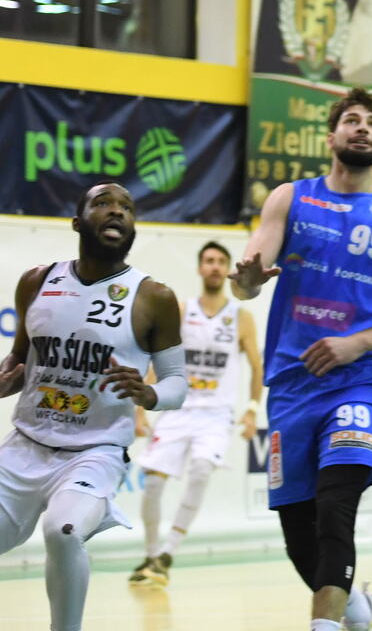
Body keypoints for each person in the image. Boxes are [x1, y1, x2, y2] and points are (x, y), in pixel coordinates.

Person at [231, 88, 372, 631]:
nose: (361, 127)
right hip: (291, 388)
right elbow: (247, 282)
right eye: (351, 119)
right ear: (331, 138)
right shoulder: (290, 198)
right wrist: (247, 282)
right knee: (298, 533)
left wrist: (358, 344)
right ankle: (360, 611)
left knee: (335, 506)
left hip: (356, 385)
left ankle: (325, 625)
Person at [0, 183, 186, 631]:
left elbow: (178, 384)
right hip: (25, 445)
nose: (117, 211)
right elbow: (20, 358)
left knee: (63, 532)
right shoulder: (37, 281)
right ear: (77, 222)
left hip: (95, 452)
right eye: (103, 204)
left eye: (126, 207)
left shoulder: (154, 297)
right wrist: (7, 377)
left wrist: (150, 395)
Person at [128, 241, 265, 587]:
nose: (215, 266)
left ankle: (168, 554)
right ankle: (150, 554)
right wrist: (140, 408)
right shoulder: (181, 309)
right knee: (153, 483)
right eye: (209, 261)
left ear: (228, 269)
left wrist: (252, 410)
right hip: (178, 408)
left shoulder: (241, 317)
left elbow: (257, 366)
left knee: (202, 470)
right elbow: (161, 361)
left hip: (216, 414)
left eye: (221, 261)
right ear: (200, 268)